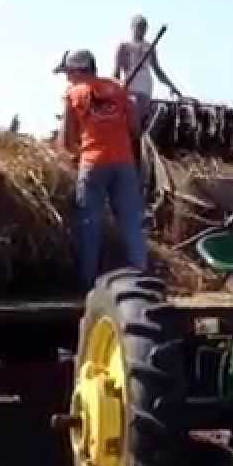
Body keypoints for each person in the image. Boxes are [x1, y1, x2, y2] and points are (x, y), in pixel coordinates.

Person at [56, 49, 148, 290]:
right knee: (131, 222)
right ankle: (140, 279)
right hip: (124, 163)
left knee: (89, 224)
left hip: (93, 164)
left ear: (78, 71)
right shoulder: (119, 89)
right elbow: (136, 130)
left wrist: (77, 155)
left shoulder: (73, 94)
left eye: (68, 73)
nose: (67, 78)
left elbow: (66, 141)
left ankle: (88, 284)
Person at [113, 14, 182, 136]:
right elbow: (116, 72)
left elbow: (157, 70)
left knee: (142, 122)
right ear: (132, 27)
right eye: (139, 26)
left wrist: (172, 86)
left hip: (145, 88)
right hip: (129, 88)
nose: (142, 30)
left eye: (144, 27)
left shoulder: (149, 47)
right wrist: (114, 90)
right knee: (130, 121)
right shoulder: (124, 46)